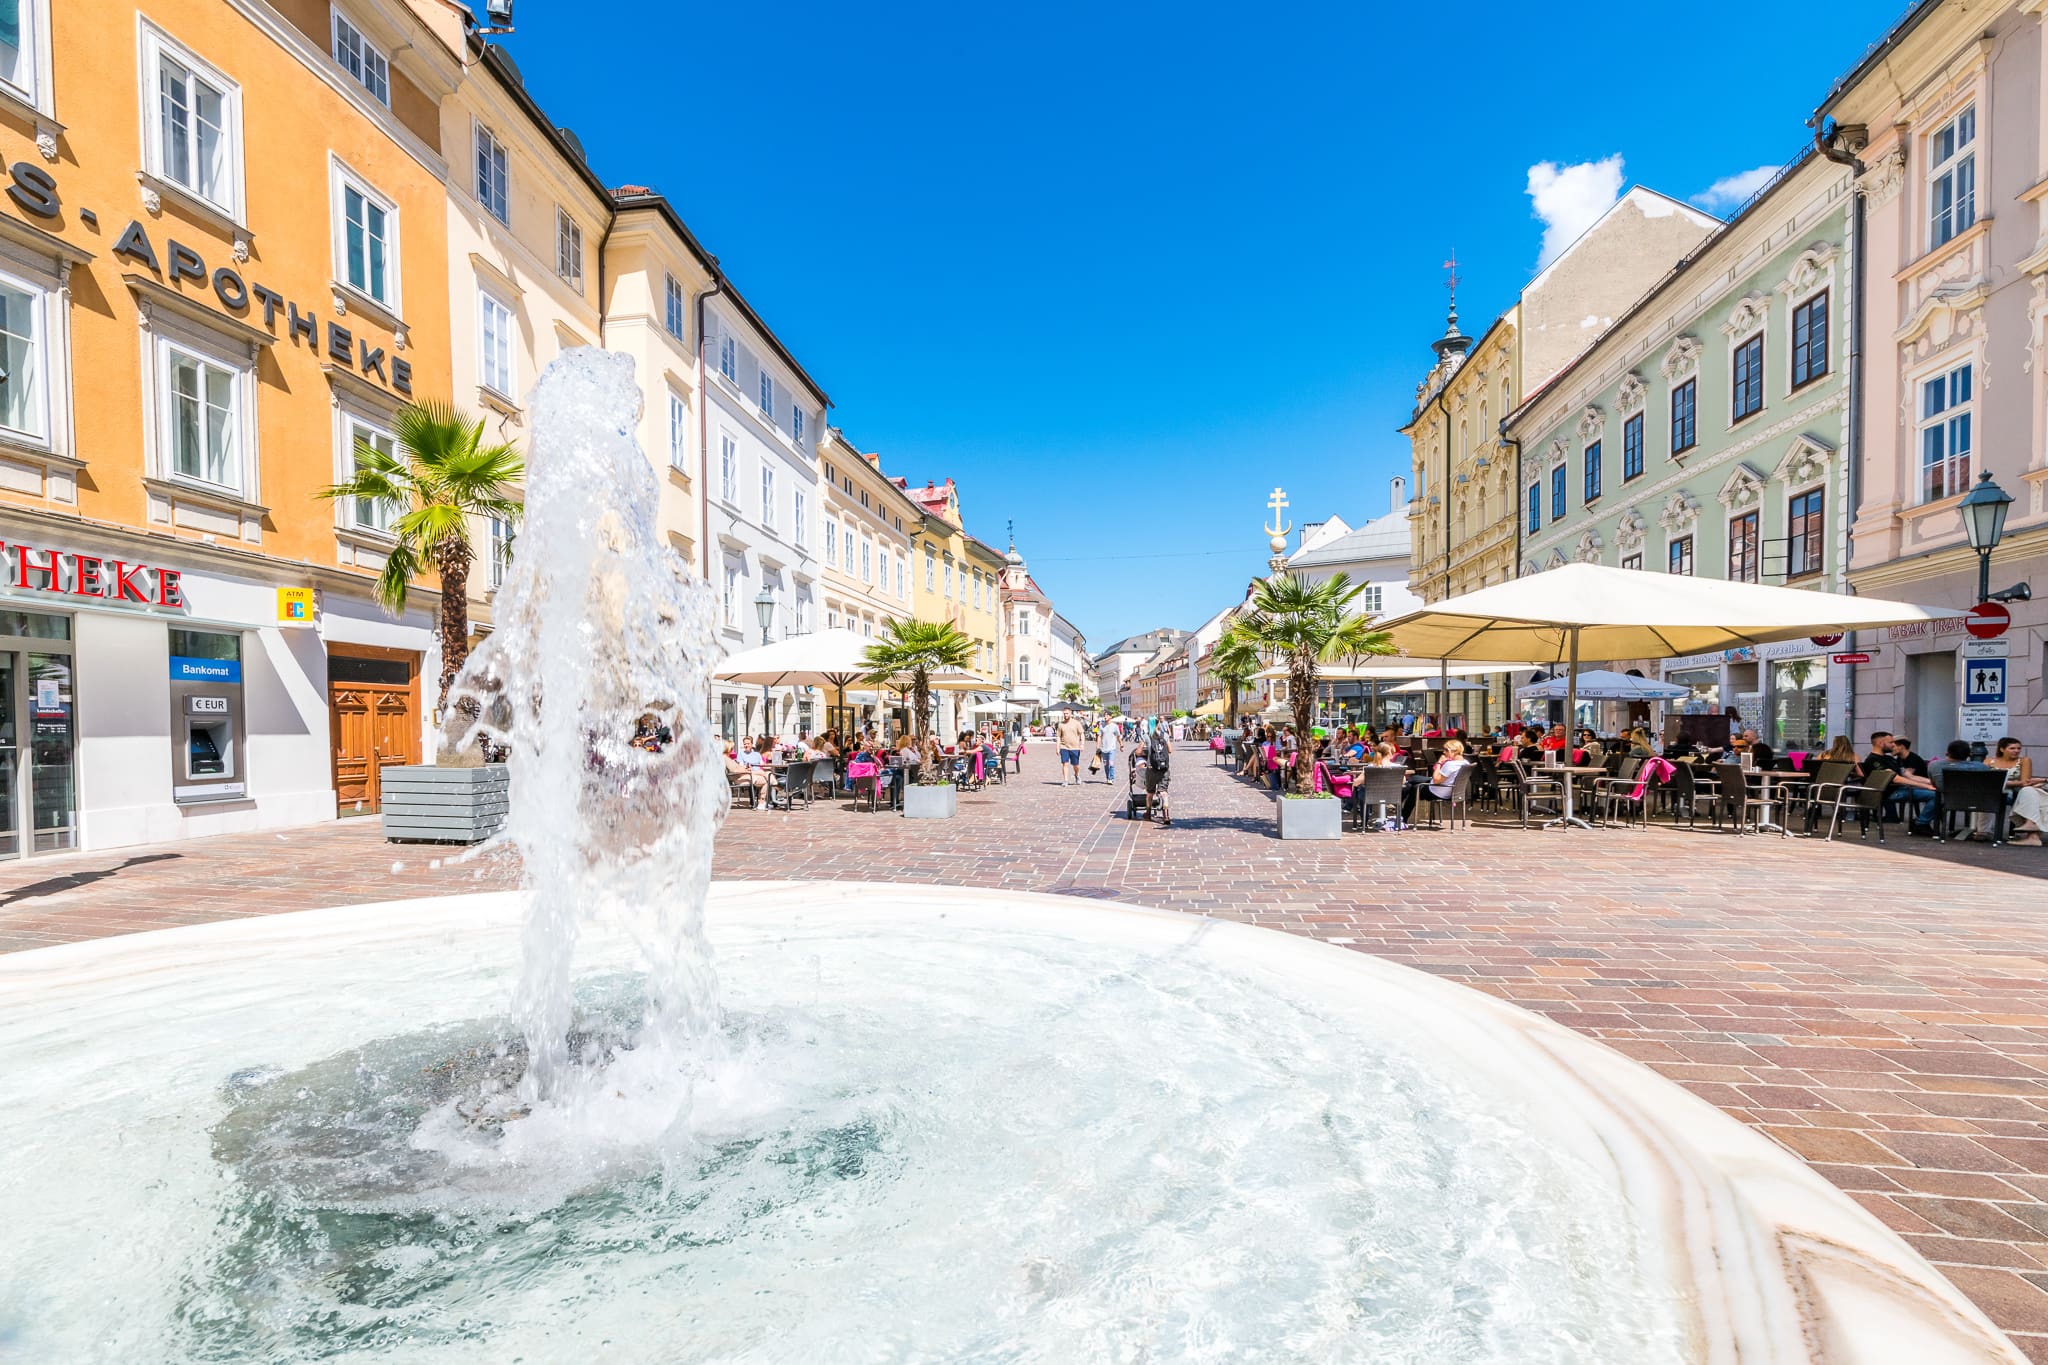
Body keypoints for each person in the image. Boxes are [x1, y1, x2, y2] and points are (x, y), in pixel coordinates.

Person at [1402, 738, 1470, 820]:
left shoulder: (1450, 764)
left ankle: (1401, 816)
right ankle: (1401, 814)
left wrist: (1439, 762)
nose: (1444, 752)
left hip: (1439, 791)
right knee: (1412, 780)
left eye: (1446, 750)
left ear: (1453, 751)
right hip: (1451, 790)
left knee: (1413, 788)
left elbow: (1436, 780)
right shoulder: (1466, 763)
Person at [1885, 735, 1937, 832]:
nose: (1891, 747)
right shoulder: (1899, 759)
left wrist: (1930, 783)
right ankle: (1921, 822)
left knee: (1936, 796)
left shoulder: (1913, 759)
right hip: (1909, 787)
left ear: (1902, 746)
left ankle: (1921, 822)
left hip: (1918, 787)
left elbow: (1909, 776)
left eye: (1894, 745)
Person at [1141, 717, 1172, 825]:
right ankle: (1166, 815)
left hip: (1151, 769)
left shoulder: (1147, 736)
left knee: (1150, 793)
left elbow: (1138, 751)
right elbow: (1170, 750)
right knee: (1163, 792)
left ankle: (1148, 814)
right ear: (1158, 724)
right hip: (1164, 768)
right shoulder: (1165, 735)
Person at [1055, 710, 1087, 787]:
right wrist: (1057, 747)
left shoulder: (1076, 723)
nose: (1065, 715)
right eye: (1064, 713)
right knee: (1065, 763)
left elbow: (1082, 734)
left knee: (1075, 765)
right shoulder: (1061, 724)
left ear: (1070, 714)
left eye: (1067, 713)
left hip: (1075, 747)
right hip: (1064, 747)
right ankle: (1065, 780)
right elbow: (1058, 737)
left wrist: (1082, 744)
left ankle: (1076, 775)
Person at [1096, 717, 1121, 783]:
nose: (1105, 716)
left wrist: (1121, 744)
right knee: (1106, 765)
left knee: (1111, 763)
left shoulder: (1115, 726)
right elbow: (1099, 736)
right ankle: (1108, 777)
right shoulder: (1101, 726)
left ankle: (1111, 778)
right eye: (1105, 715)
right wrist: (1098, 746)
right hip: (1104, 748)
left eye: (1107, 715)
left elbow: (1118, 736)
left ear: (1110, 717)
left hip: (1112, 748)